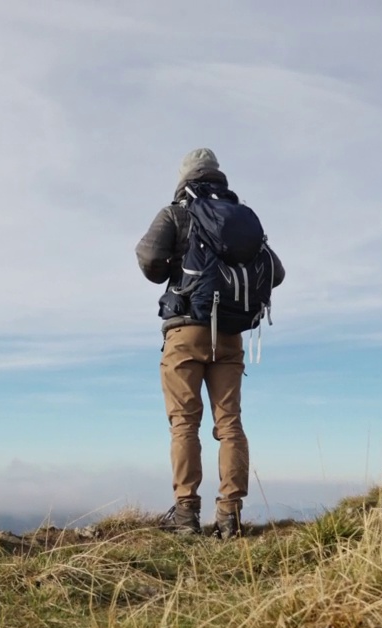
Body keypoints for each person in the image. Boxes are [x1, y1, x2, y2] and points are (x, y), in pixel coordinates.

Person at [135, 148, 285, 539]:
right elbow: (277, 272)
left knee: (185, 423)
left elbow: (149, 260)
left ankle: (186, 514)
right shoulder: (241, 221)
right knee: (230, 423)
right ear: (219, 177)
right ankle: (229, 515)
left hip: (186, 330)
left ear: (183, 178)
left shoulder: (177, 213)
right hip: (231, 335)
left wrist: (175, 271)